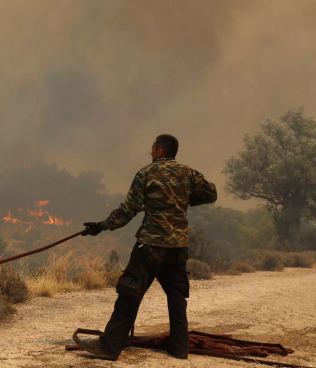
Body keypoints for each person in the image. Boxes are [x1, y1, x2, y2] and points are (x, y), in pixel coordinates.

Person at [79, 134, 217, 361]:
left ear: (160, 151)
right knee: (176, 298)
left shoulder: (147, 173)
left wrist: (100, 226)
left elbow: (127, 210)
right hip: (177, 248)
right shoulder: (188, 173)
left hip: (150, 247)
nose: (151, 151)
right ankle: (179, 349)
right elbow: (211, 194)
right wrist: (184, 199)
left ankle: (109, 346)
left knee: (129, 294)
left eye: (153, 148)